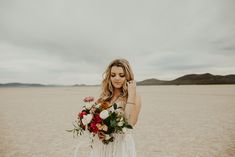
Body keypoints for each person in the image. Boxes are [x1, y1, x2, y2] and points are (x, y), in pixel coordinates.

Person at [89, 58, 142, 157]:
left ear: (128, 76)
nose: (117, 78)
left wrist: (131, 95)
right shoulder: (103, 98)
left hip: (121, 147)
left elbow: (130, 123)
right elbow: (96, 122)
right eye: (113, 75)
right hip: (102, 146)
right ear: (109, 77)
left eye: (121, 75)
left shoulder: (135, 97)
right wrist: (100, 131)